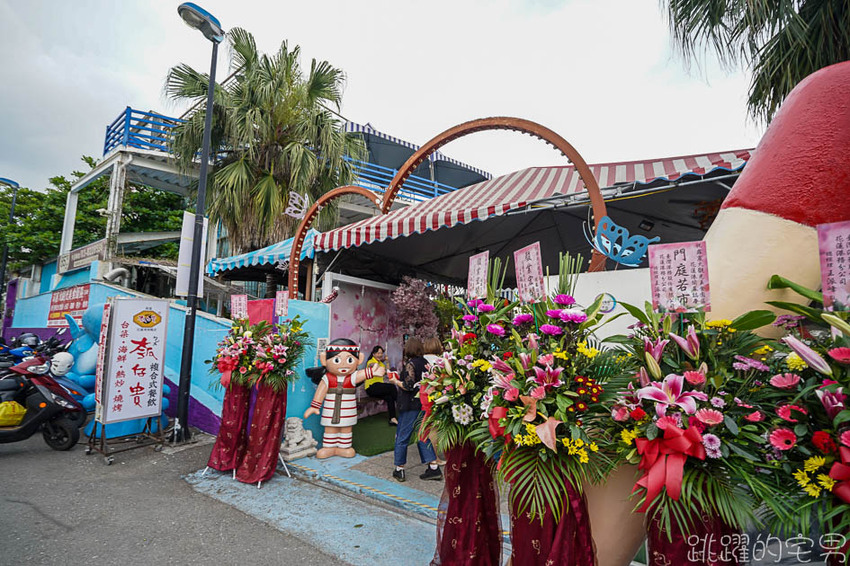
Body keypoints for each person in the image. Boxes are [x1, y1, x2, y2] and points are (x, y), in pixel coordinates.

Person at [303, 338, 384, 459]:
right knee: (330, 428)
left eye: (350, 360)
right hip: (330, 409)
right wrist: (315, 406)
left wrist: (374, 372)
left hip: (348, 410)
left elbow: (365, 373)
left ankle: (344, 447)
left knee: (346, 428)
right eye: (337, 360)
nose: (343, 364)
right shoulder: (327, 378)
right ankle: (329, 448)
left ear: (359, 360)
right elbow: (321, 391)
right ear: (324, 360)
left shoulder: (352, 377)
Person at [389, 337, 442, 482]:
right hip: (424, 403)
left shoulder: (410, 364)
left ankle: (399, 469)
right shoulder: (426, 363)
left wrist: (395, 381)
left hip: (410, 404)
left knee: (402, 436)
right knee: (423, 435)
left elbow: (408, 385)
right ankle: (433, 467)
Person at [422, 336, 447, 466]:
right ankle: (435, 457)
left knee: (425, 426)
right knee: (434, 428)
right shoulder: (440, 361)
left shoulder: (421, 360)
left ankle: (428, 455)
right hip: (435, 396)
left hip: (422, 396)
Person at [364, 345, 398, 426]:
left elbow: (388, 371)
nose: (380, 355)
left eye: (381, 353)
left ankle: (392, 418)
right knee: (392, 387)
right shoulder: (370, 362)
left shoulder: (381, 364)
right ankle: (401, 406)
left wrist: (387, 361)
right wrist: (382, 361)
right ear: (373, 354)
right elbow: (372, 365)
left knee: (389, 398)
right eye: (378, 353)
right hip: (371, 387)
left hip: (379, 387)